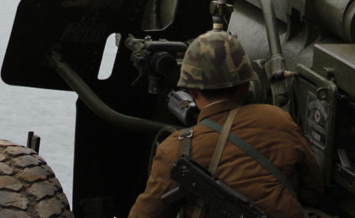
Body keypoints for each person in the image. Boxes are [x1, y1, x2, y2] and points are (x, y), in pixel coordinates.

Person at [129, 30, 323, 218]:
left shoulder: (176, 149)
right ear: (247, 86)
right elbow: (313, 192)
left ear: (192, 92)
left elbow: (146, 214)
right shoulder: (279, 120)